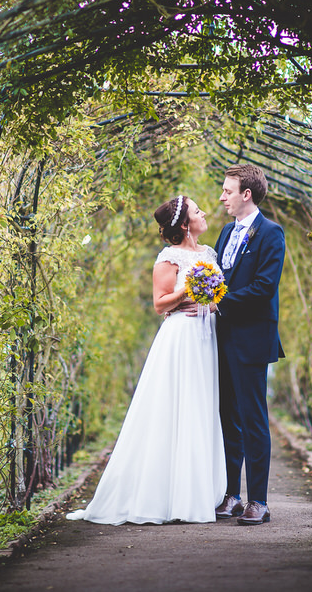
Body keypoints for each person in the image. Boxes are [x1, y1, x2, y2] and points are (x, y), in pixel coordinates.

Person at [67, 195, 225, 524]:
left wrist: (210, 303)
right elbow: (160, 304)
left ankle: (197, 493)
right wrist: (190, 290)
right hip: (180, 340)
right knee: (175, 410)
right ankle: (168, 497)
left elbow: (215, 299)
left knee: (201, 409)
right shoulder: (169, 258)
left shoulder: (209, 253)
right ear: (185, 224)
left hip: (205, 339)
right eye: (198, 210)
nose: (204, 212)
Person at [212, 164, 286, 525]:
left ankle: (259, 500)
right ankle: (232, 496)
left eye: (228, 191)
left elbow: (263, 288)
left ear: (246, 194)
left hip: (252, 339)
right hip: (221, 338)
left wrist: (219, 301)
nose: (222, 197)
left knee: (253, 419)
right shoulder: (226, 233)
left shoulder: (271, 233)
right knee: (228, 418)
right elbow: (220, 277)